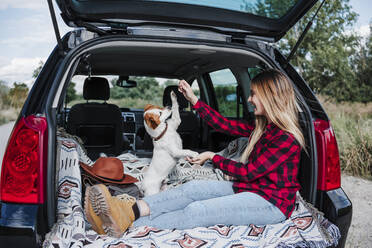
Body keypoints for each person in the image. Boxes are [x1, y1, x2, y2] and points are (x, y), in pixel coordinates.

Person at [84, 69, 306, 238]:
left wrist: (212, 157)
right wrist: (194, 100)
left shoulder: (286, 138)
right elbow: (224, 125)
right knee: (193, 188)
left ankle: (125, 225)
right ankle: (127, 210)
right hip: (250, 188)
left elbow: (249, 172)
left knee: (196, 211)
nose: (249, 99)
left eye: (254, 95)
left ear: (270, 98)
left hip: (271, 203)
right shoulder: (263, 128)